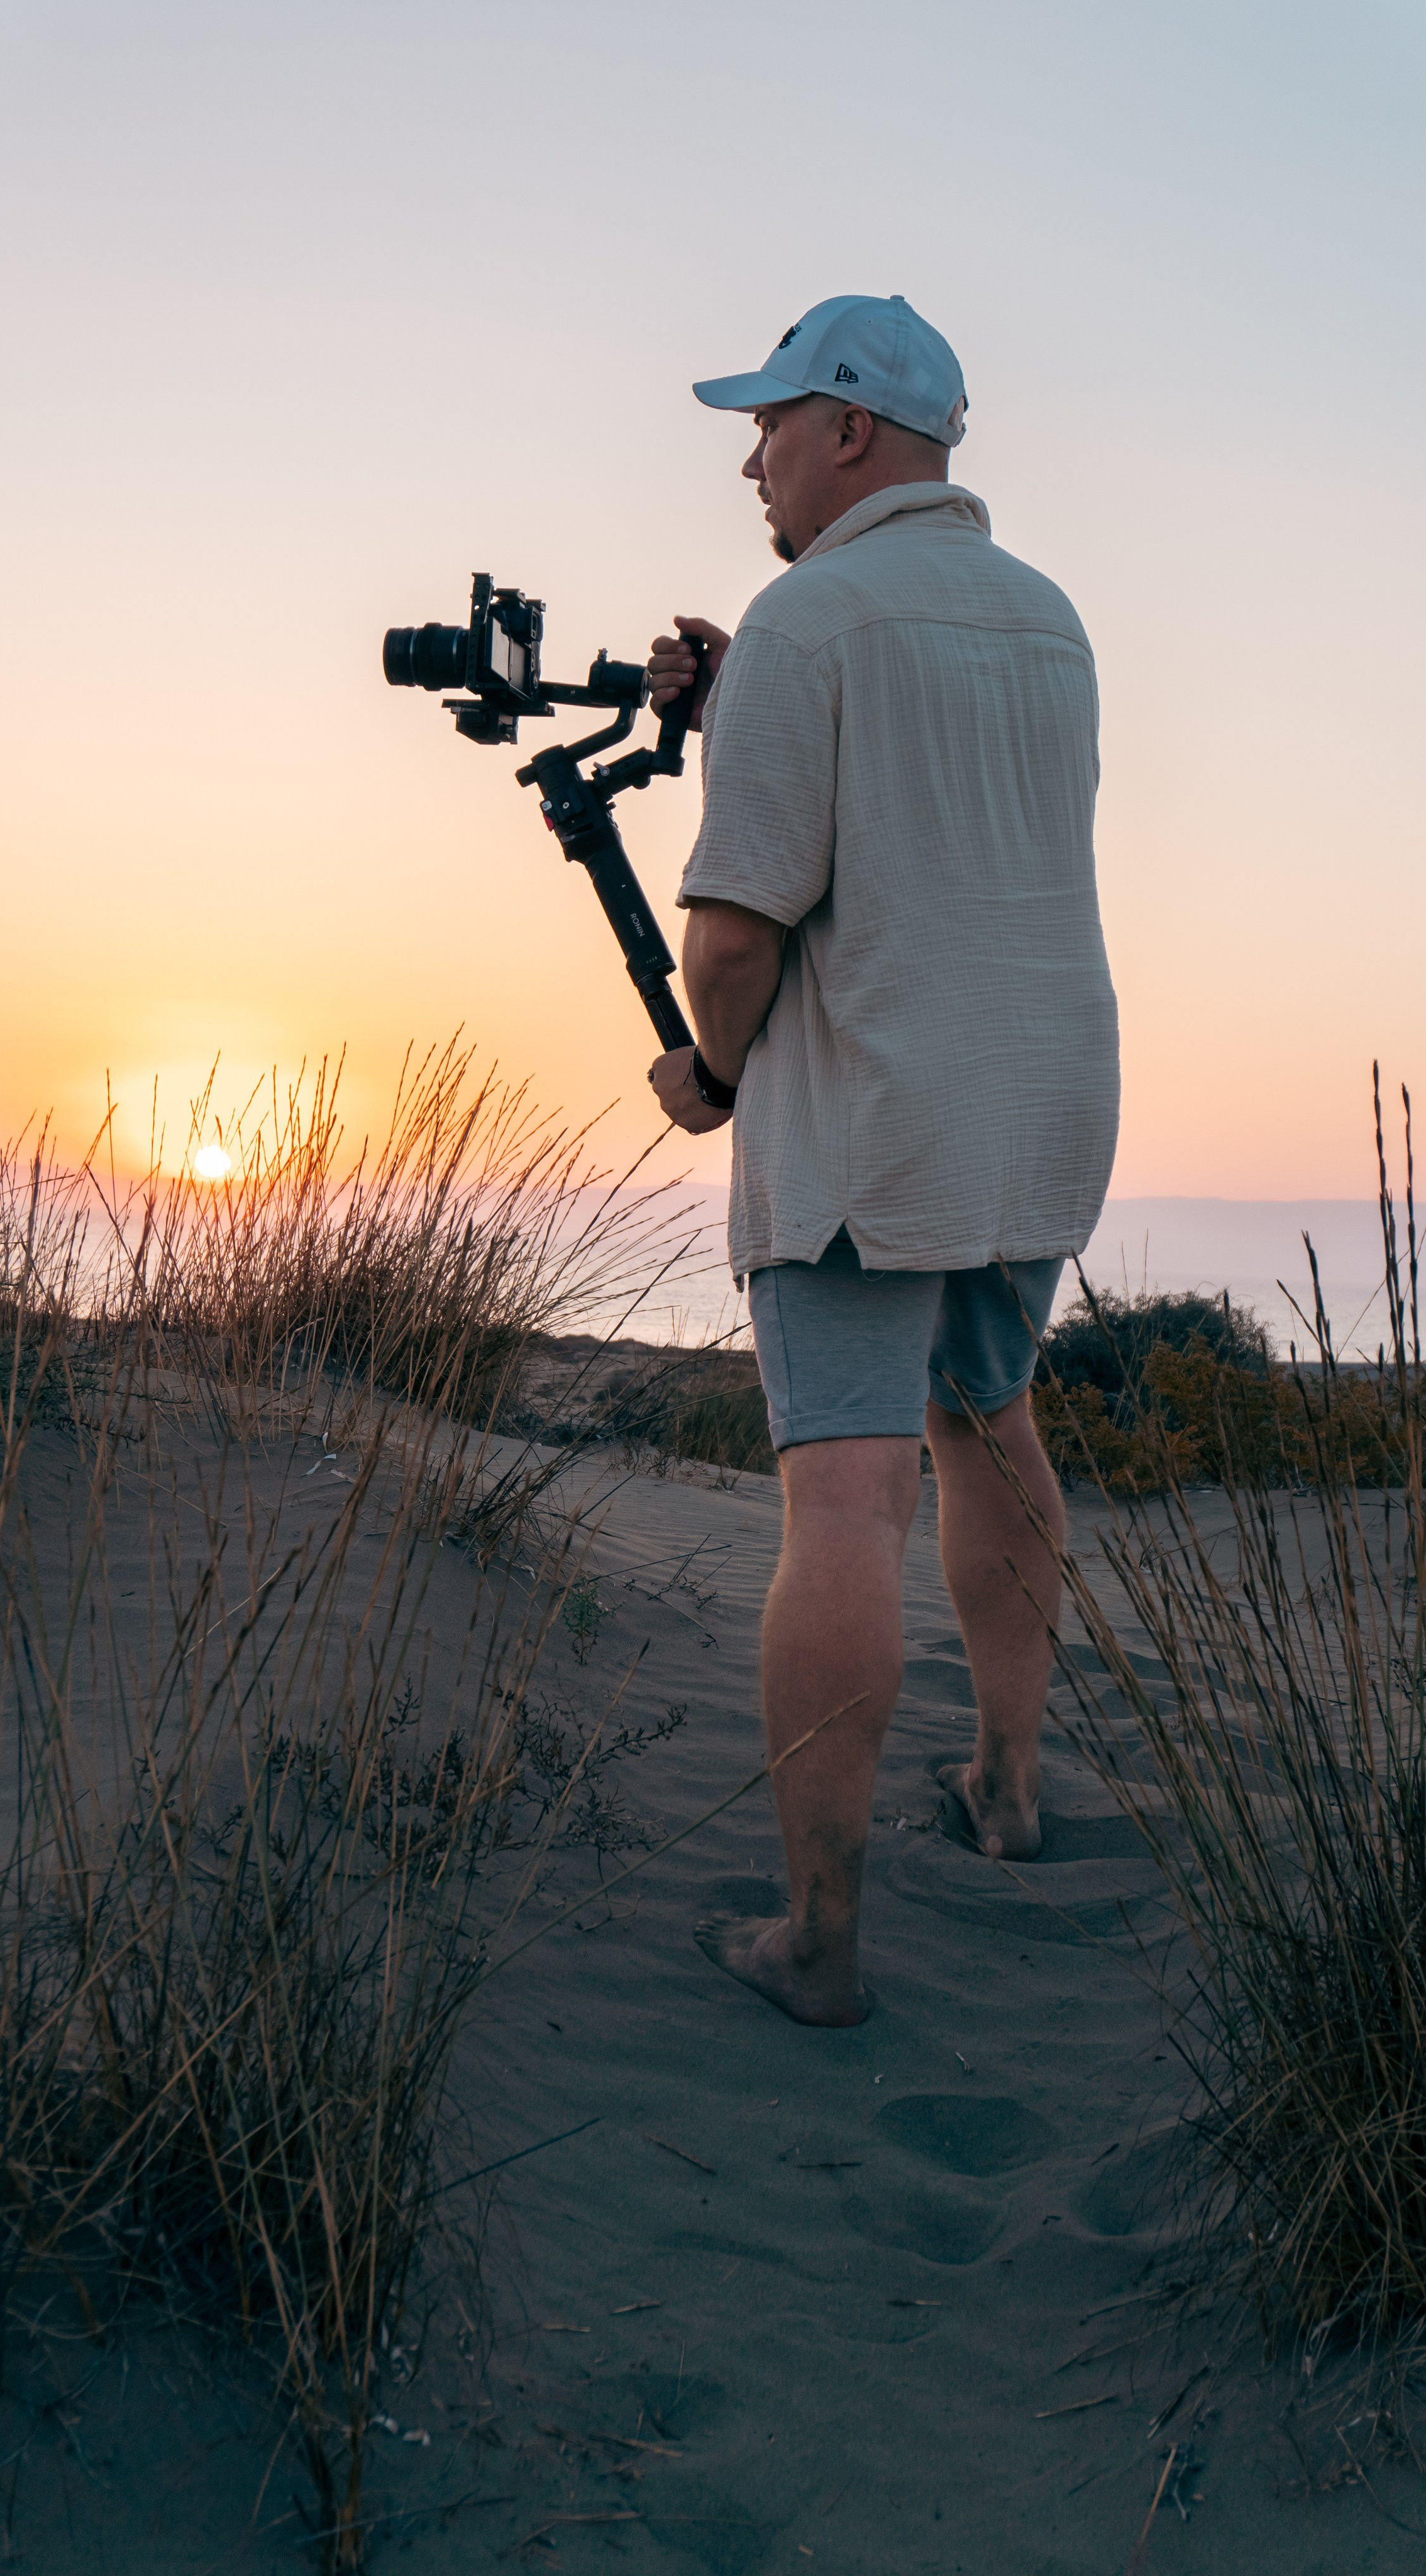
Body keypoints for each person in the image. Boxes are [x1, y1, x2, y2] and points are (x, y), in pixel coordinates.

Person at [646, 293, 1119, 2027]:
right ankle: (1003, 1793)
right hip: (1038, 1097)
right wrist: (733, 707)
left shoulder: (809, 613)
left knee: (842, 1496)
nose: (747, 455)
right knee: (988, 1425)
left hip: (865, 1114)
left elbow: (735, 936)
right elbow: (935, 823)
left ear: (850, 428)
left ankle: (818, 1938)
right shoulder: (1044, 617)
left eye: (768, 422)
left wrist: (707, 1073)